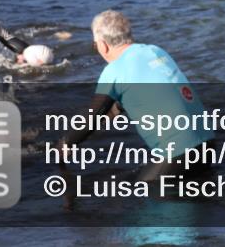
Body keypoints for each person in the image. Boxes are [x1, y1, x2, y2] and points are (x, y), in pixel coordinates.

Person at [58, 10, 214, 189]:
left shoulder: (114, 71)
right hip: (207, 144)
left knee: (145, 194)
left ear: (102, 45)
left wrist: (66, 143)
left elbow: (93, 115)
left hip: (178, 152)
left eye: (95, 46)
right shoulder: (156, 51)